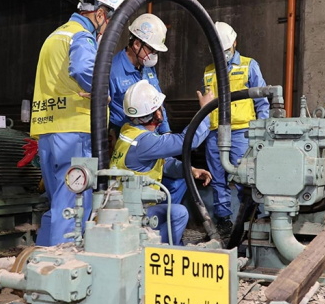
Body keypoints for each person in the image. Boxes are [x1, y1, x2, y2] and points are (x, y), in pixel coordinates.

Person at [31, 0, 125, 247]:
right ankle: (60, 273)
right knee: (73, 206)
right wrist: (101, 92)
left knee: (57, 203)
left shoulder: (55, 35)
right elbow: (84, 69)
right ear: (99, 14)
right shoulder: (81, 36)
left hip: (49, 132)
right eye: (109, 21)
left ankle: (41, 263)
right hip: (75, 133)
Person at [110, 80, 214, 245]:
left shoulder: (129, 130)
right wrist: (205, 111)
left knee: (181, 180)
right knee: (179, 213)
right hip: (133, 214)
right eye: (160, 107)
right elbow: (187, 141)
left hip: (121, 209)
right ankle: (156, 251)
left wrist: (190, 169)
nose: (163, 109)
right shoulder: (144, 142)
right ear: (156, 114)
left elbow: (162, 162)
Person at [108, 13, 187, 205]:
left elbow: (157, 100)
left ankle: (162, 219)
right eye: (152, 49)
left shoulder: (146, 67)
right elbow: (103, 107)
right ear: (136, 44)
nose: (154, 55)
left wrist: (166, 130)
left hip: (155, 132)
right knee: (135, 186)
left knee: (179, 179)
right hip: (130, 138)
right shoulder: (113, 71)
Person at [203, 21, 270, 237]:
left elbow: (262, 102)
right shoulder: (209, 71)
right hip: (215, 132)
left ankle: (249, 219)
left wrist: (262, 133)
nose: (222, 54)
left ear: (234, 43)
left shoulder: (249, 65)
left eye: (225, 50)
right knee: (217, 179)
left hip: (242, 133)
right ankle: (223, 222)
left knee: (245, 178)